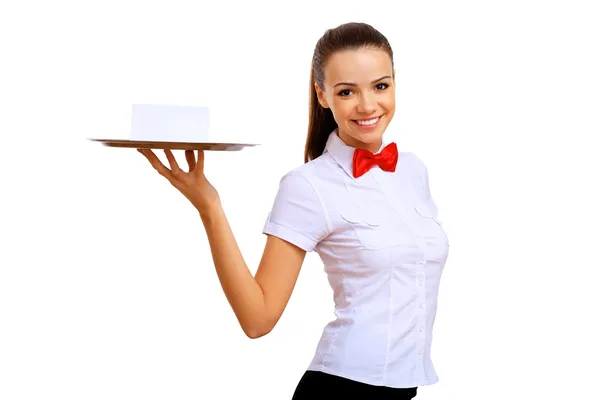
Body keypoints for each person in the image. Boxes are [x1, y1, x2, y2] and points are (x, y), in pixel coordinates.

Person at [137, 22, 449, 400]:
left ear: (395, 83)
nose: (367, 105)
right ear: (322, 95)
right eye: (346, 91)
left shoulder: (413, 171)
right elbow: (258, 318)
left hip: (405, 390)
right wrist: (210, 207)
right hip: (342, 391)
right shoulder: (307, 186)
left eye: (380, 86)